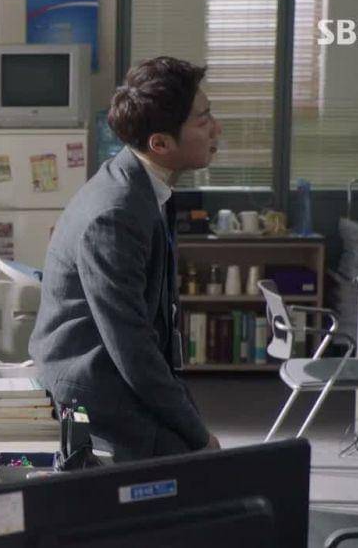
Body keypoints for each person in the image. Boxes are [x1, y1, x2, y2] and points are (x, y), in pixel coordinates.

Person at [29, 56, 224, 462]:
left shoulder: (142, 186)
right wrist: (197, 433)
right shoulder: (115, 214)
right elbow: (132, 348)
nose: (216, 129)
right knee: (201, 471)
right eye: (204, 119)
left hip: (118, 376)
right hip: (94, 396)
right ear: (160, 144)